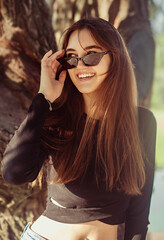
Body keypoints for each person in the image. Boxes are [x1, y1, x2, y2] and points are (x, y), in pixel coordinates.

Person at [1, 18, 156, 240]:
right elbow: (14, 174)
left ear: (115, 58)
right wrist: (43, 98)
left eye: (91, 55)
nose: (80, 66)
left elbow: (138, 215)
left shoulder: (142, 123)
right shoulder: (57, 118)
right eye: (72, 58)